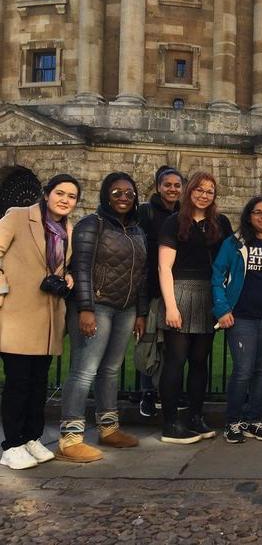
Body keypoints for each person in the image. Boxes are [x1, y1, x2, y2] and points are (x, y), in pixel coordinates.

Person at [58, 172, 148, 463]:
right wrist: (85, 307)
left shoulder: (136, 230)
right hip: (96, 306)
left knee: (110, 370)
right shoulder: (90, 225)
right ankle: (70, 438)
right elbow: (81, 268)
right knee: (84, 370)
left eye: (129, 193)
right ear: (106, 195)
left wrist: (141, 312)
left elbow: (142, 275)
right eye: (117, 192)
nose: (123, 197)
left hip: (125, 308)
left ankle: (108, 429)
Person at [0, 175, 80, 470]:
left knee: (38, 383)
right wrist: (3, 290)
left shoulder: (66, 230)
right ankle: (11, 444)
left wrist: (67, 276)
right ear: (47, 194)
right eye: (60, 193)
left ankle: (32, 436)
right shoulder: (18, 217)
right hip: (18, 313)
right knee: (18, 382)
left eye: (71, 196)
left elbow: (59, 265)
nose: (65, 200)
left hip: (47, 316)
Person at [158, 171, 232, 444]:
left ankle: (195, 417)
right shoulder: (174, 222)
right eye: (199, 189)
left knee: (200, 362)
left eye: (210, 191)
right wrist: (171, 306)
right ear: (190, 191)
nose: (204, 195)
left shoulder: (220, 223)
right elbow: (164, 266)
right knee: (176, 360)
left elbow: (229, 260)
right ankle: (170, 424)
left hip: (208, 294)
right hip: (180, 291)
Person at [213, 196, 262, 444]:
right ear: (249, 216)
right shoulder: (234, 244)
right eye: (257, 212)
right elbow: (217, 276)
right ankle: (233, 421)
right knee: (243, 371)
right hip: (242, 318)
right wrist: (222, 309)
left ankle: (255, 418)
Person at [136, 166, 183, 417]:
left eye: (177, 185)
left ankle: (170, 391)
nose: (172, 189)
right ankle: (147, 393)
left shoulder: (185, 214)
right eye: (168, 185)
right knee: (149, 340)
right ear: (158, 186)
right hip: (152, 284)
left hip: (178, 287)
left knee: (174, 344)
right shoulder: (145, 212)